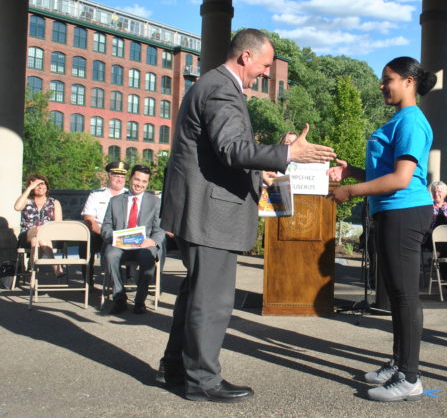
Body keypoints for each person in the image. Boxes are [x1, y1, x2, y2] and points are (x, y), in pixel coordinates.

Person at [156, 29, 335, 403]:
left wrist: (260, 171)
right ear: (246, 57)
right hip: (211, 214)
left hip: (199, 208)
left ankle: (176, 368)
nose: (266, 73)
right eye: (265, 65)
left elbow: (219, 154)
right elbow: (233, 149)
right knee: (213, 300)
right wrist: (288, 155)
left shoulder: (211, 84)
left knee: (194, 295)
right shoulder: (222, 88)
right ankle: (202, 380)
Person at [329, 56, 436, 402]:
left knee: (405, 297)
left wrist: (349, 192)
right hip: (391, 213)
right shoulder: (399, 119)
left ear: (408, 82)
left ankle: (410, 377)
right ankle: (399, 362)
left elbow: (402, 179)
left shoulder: (412, 121)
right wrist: (353, 173)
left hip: (405, 213)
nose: (381, 85)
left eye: (387, 79)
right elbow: (383, 175)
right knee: (396, 295)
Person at [101, 164, 165, 315]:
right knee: (110, 255)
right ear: (130, 179)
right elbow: (106, 226)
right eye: (137, 180)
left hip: (143, 245)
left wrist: (153, 241)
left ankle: (140, 301)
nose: (140, 184)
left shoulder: (155, 202)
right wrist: (113, 237)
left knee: (148, 257)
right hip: (119, 245)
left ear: (148, 183)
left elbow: (159, 229)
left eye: (144, 182)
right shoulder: (115, 201)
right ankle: (119, 297)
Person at [81, 161, 129, 285]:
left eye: (122, 177)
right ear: (109, 176)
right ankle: (87, 280)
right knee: (85, 242)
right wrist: (104, 233)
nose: (120, 179)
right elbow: (88, 218)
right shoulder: (96, 195)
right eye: (116, 176)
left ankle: (130, 278)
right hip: (99, 233)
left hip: (123, 233)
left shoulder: (130, 196)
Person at [14, 174, 63, 276]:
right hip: (26, 236)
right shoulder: (27, 201)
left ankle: (33, 272)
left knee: (36, 240)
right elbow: (17, 207)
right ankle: (56, 265)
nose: (40, 187)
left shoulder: (54, 202)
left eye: (42, 184)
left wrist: (43, 230)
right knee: (38, 230)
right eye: (37, 185)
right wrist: (29, 188)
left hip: (48, 237)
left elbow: (58, 224)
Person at [426, 181, 447, 281]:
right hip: (431, 237)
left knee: (443, 245)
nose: (436, 193)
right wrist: (434, 233)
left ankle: (438, 254)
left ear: (445, 193)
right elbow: (423, 226)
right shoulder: (427, 207)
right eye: (434, 191)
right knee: (442, 245)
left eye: (439, 191)